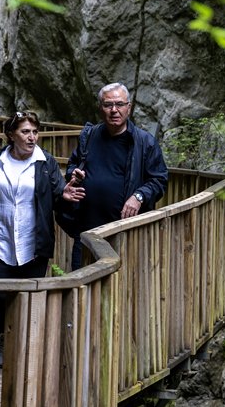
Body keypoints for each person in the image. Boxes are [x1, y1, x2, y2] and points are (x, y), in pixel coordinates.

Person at [0, 111, 84, 367]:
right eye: (25, 132)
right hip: (0, 242)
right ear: (12, 135)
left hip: (34, 243)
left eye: (35, 132)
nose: (32, 137)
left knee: (28, 295)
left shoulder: (45, 163)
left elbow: (58, 194)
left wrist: (64, 194)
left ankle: (27, 347)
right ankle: (3, 340)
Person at [64, 83, 168, 270]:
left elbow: (159, 180)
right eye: (108, 105)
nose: (114, 110)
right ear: (100, 108)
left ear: (129, 107)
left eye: (119, 104)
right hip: (87, 232)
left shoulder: (145, 142)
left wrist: (139, 196)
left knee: (123, 281)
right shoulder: (89, 136)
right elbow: (73, 164)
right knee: (81, 281)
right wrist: (74, 174)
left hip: (126, 232)